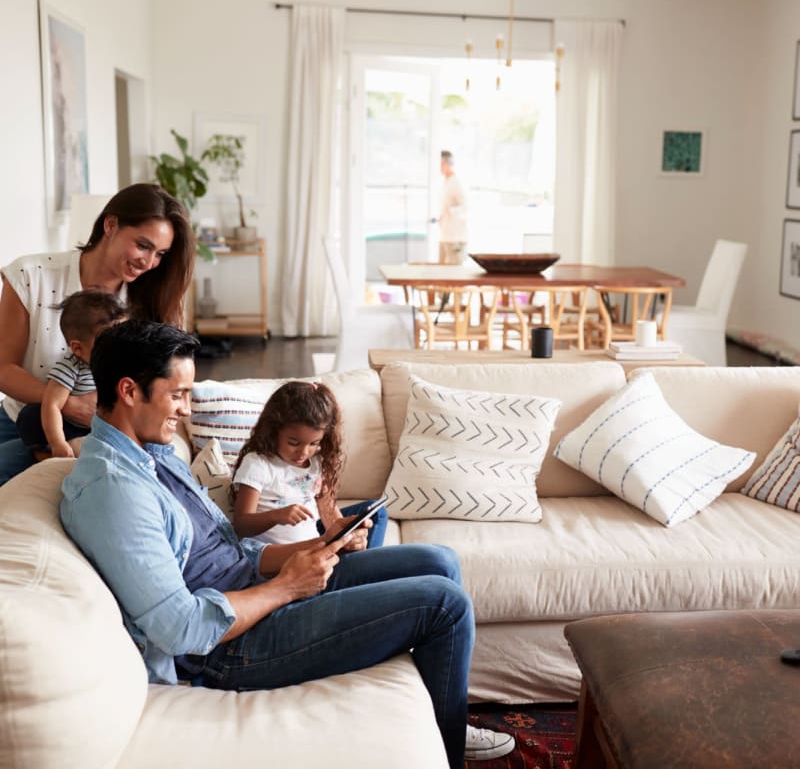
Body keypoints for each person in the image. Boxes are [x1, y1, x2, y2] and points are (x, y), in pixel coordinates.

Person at [59, 320, 515, 767]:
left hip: (257, 590)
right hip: (226, 647)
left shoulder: (152, 456)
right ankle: (451, 743)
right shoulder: (114, 490)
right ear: (128, 391)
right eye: (177, 395)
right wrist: (287, 587)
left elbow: (229, 548)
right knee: (443, 604)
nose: (185, 410)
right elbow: (181, 630)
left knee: (438, 560)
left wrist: (303, 553)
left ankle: (441, 714)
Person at [0, 182, 194, 485]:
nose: (149, 262)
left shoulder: (148, 300)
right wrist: (66, 402)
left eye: (160, 254)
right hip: (24, 419)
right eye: (143, 245)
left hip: (107, 429)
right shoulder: (31, 275)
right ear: (110, 224)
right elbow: (3, 369)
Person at [231, 380, 388, 549]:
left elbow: (330, 517)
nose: (303, 452)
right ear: (273, 430)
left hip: (317, 545)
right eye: (293, 443)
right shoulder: (258, 464)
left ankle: (361, 562)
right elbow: (240, 525)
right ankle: (362, 567)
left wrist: (346, 538)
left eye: (313, 443)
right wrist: (276, 516)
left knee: (376, 514)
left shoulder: (316, 461)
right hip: (287, 557)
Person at [15, 290, 127, 459]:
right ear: (78, 348)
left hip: (105, 426)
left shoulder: (122, 363)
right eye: (107, 342)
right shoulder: (71, 368)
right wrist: (57, 442)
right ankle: (48, 455)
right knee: (31, 415)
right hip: (71, 428)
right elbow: (52, 405)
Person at [437, 150, 469, 265]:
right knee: (441, 274)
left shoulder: (457, 182)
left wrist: (450, 212)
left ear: (445, 164)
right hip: (445, 235)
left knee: (453, 274)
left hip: (455, 238)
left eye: (440, 164)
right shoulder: (446, 182)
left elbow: (465, 207)